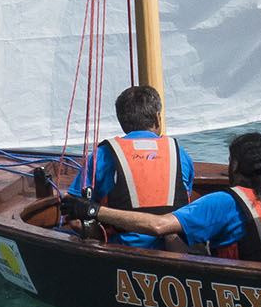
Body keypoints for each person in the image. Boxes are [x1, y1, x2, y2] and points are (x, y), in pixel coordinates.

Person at [62, 132, 261, 265]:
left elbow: (158, 226)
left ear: (234, 166)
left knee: (173, 234)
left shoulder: (224, 202)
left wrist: (93, 211)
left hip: (238, 297)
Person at [64, 84, 195, 249]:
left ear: (122, 122)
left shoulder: (103, 154)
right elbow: (185, 199)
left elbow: (72, 209)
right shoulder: (180, 154)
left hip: (124, 248)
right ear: (157, 118)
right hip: (175, 248)